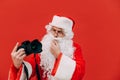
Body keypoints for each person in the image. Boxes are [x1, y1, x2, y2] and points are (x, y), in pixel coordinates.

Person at [8, 15, 85, 80]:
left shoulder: (74, 48)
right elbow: (32, 67)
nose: (55, 35)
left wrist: (58, 55)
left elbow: (79, 73)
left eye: (60, 32)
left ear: (66, 34)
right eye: (53, 30)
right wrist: (18, 65)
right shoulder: (43, 46)